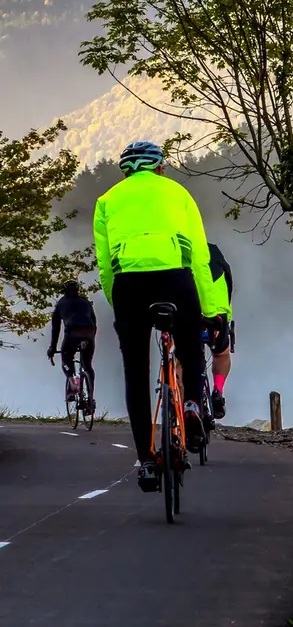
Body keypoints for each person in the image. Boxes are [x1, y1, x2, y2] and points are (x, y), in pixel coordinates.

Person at [93, 140, 224, 492]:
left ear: (126, 171)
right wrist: (211, 311)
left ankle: (147, 462)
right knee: (191, 352)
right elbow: (199, 257)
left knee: (135, 372)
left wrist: (118, 304)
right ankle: (194, 406)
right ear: (160, 167)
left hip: (130, 287)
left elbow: (105, 266)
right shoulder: (178, 193)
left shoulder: (106, 201)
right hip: (175, 280)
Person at [47, 280, 98, 409]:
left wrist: (52, 348)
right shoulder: (86, 302)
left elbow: (56, 328)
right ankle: (91, 398)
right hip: (88, 333)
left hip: (72, 333)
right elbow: (94, 321)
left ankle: (72, 380)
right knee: (87, 365)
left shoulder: (61, 303)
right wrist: (90, 338)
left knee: (66, 357)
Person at [202, 241, 235, 420]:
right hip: (218, 311)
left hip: (188, 309)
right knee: (221, 354)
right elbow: (228, 283)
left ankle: (186, 405)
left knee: (182, 360)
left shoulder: (176, 252)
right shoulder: (214, 251)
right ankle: (218, 391)